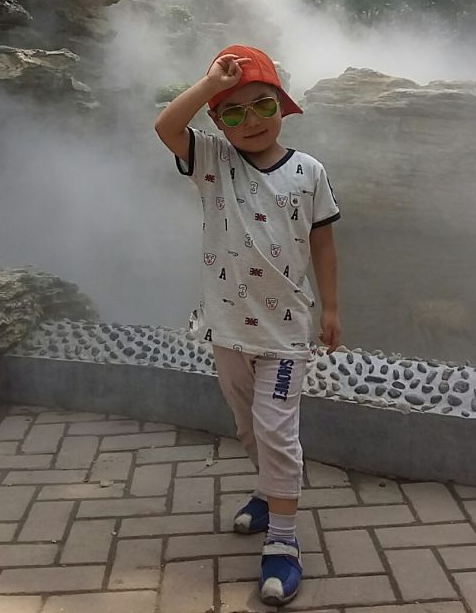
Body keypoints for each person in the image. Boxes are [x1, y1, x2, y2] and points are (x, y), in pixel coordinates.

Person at [154, 44, 341, 606]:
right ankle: (267, 491)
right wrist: (211, 85)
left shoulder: (309, 172)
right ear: (217, 122)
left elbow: (323, 244)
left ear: (283, 104)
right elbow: (166, 127)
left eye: (262, 104)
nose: (251, 120)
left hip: (285, 334)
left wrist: (331, 308)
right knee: (248, 428)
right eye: (232, 112)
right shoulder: (213, 161)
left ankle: (283, 541)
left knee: (277, 432)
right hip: (227, 329)